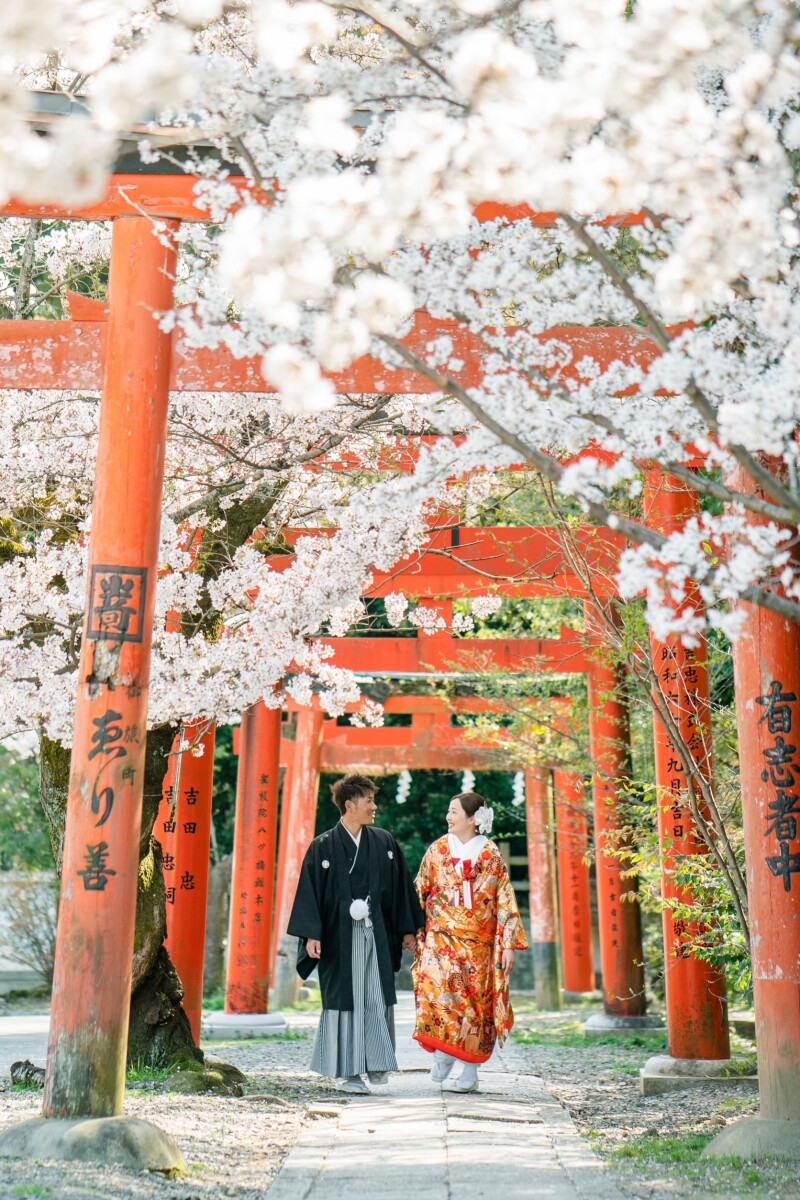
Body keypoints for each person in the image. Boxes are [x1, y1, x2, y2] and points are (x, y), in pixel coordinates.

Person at [287, 772, 424, 1094]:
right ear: (350, 805)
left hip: (376, 933)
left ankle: (376, 1064)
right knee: (346, 1000)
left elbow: (401, 888)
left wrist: (407, 931)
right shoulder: (323, 846)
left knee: (376, 996)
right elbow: (310, 894)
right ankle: (348, 1071)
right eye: (369, 800)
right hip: (338, 937)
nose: (374, 806)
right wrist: (311, 935)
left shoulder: (384, 841)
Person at [412, 790, 528, 1093]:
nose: (448, 817)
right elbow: (420, 890)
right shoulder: (437, 850)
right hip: (440, 940)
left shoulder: (490, 854)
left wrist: (509, 943)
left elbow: (504, 898)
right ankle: (443, 1053)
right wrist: (411, 931)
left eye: (454, 812)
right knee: (437, 995)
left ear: (473, 819)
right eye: (449, 811)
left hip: (479, 944)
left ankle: (470, 1071)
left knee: (475, 1006)